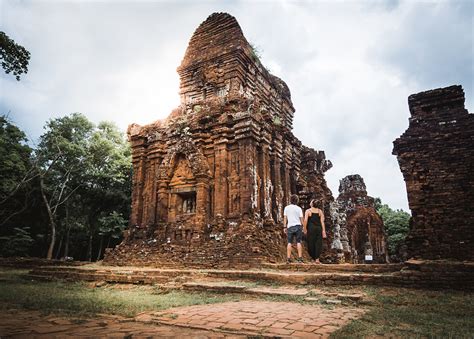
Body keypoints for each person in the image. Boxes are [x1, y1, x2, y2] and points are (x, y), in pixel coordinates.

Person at [303, 199, 326, 264]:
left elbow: (305, 220)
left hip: (311, 229)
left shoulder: (308, 211)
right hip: (319, 228)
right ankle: (317, 259)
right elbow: (322, 222)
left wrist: (304, 228)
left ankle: (313, 258)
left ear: (312, 203)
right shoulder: (320, 211)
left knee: (311, 243)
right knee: (318, 243)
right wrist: (324, 231)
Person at [283, 194, 304, 263]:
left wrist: (284, 227)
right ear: (297, 201)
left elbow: (285, 218)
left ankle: (288, 258)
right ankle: (300, 258)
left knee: (289, 242)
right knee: (298, 242)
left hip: (290, 226)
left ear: (290, 200)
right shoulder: (299, 208)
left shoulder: (286, 208)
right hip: (298, 226)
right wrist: (303, 227)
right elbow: (301, 219)